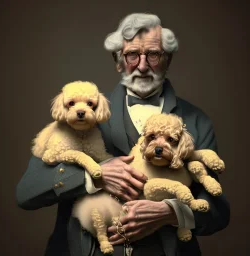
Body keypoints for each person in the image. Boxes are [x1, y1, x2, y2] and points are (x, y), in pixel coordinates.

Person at [16, 13, 230, 256]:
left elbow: (219, 212)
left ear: (167, 59)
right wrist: (93, 178)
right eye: (132, 55)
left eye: (153, 54)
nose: (142, 65)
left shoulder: (196, 119)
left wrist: (171, 212)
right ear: (118, 61)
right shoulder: (83, 110)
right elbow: (26, 193)